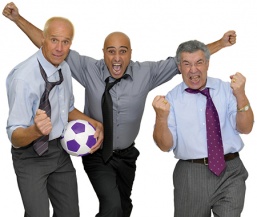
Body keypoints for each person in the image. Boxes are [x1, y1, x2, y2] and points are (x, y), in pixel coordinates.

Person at [3, 3, 237, 217]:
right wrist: (19, 19)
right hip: (96, 152)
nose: (116, 57)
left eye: (123, 51)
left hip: (126, 155)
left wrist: (220, 43)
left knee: (123, 207)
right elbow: (50, 45)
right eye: (111, 51)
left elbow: (185, 60)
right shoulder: (87, 69)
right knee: (112, 205)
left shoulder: (146, 74)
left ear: (130, 53)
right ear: (103, 52)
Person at [5, 15, 103, 217]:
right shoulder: (24, 78)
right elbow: (14, 137)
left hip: (58, 151)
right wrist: (34, 131)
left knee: (70, 214)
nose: (59, 48)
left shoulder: (64, 69)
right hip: (29, 155)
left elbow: (66, 109)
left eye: (65, 41)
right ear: (43, 39)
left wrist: (94, 123)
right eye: (54, 40)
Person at [152, 40, 254, 217]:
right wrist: (161, 117)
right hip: (191, 174)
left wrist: (241, 95)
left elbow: (245, 128)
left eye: (199, 62)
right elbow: (165, 146)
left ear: (207, 63)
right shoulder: (172, 99)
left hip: (230, 171)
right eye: (187, 64)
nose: (193, 70)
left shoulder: (226, 90)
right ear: (179, 67)